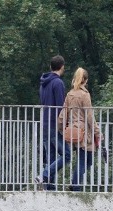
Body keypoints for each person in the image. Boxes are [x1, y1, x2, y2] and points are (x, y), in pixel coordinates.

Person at [57, 67, 100, 191]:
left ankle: (75, 184)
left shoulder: (70, 94)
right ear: (85, 80)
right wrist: (98, 132)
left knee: (85, 159)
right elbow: (89, 116)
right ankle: (75, 185)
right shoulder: (85, 95)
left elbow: (63, 114)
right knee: (86, 160)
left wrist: (61, 128)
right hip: (84, 132)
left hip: (73, 131)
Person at [35, 55, 70, 191]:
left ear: (51, 67)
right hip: (54, 124)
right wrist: (64, 125)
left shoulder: (43, 83)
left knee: (51, 155)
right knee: (66, 155)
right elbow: (61, 107)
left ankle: (49, 186)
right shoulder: (58, 83)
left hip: (44, 124)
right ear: (62, 67)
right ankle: (44, 175)